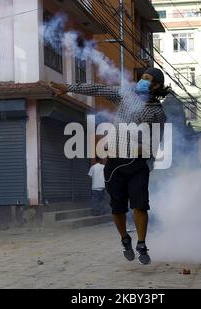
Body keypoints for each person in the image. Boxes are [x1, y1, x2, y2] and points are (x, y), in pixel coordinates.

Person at [51, 67, 169, 265]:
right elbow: (98, 89)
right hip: (114, 162)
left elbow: (157, 141)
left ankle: (141, 243)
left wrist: (147, 152)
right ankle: (125, 239)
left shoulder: (157, 112)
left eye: (147, 79)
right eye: (142, 77)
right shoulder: (125, 95)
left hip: (138, 163)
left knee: (140, 205)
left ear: (156, 85)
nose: (141, 81)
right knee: (117, 208)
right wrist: (69, 87)